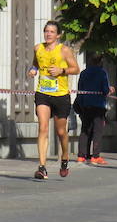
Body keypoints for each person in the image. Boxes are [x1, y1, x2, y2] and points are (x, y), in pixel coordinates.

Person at [28, 20, 80, 180]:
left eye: (51, 32)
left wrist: (61, 70)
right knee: (42, 128)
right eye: (46, 31)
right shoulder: (38, 48)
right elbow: (35, 63)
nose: (48, 34)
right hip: (42, 93)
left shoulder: (64, 50)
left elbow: (76, 68)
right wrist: (33, 69)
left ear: (58, 35)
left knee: (60, 131)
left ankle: (65, 157)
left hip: (61, 95)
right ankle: (42, 167)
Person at [75, 53, 114, 165]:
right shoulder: (102, 73)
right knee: (98, 131)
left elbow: (80, 89)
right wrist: (110, 89)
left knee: (85, 130)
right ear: (101, 62)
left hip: (85, 105)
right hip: (98, 105)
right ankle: (95, 156)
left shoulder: (83, 73)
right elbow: (105, 90)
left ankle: (82, 156)